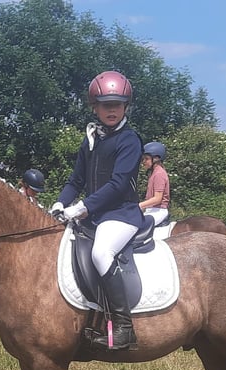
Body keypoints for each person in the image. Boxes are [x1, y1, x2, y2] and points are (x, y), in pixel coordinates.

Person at [50, 71, 145, 351]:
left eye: (117, 104)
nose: (112, 109)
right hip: (95, 215)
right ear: (95, 107)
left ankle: (124, 328)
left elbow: (117, 185)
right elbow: (76, 180)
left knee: (101, 253)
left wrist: (82, 207)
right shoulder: (91, 139)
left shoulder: (129, 140)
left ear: (126, 106)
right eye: (106, 104)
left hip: (122, 214)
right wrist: (60, 202)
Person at [138, 142, 170, 226]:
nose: (143, 162)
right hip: (152, 210)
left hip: (158, 211)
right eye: (143, 159)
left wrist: (138, 206)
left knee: (140, 227)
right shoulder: (153, 173)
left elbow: (157, 199)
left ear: (156, 159)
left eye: (146, 159)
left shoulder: (159, 174)